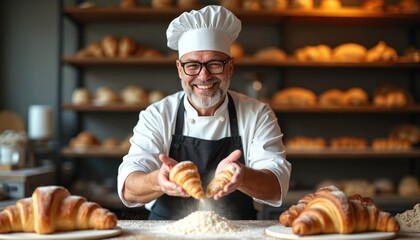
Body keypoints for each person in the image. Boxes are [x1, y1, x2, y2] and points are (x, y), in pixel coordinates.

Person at [117, 5, 291, 220]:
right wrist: (157, 180)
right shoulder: (157, 115)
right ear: (180, 70)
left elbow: (276, 187)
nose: (203, 76)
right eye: (192, 66)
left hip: (237, 234)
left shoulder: (257, 114)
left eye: (215, 64)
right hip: (165, 234)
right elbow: (128, 187)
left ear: (230, 67)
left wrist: (242, 176)